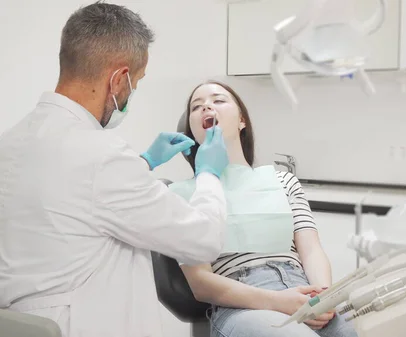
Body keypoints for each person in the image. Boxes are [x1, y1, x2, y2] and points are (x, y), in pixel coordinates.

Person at [0, 3, 229, 337]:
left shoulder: (13, 141)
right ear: (119, 79)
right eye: (136, 80)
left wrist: (143, 163)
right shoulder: (102, 156)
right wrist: (208, 173)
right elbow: (205, 240)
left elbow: (68, 199)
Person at [167, 80, 358, 337]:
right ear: (192, 129)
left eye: (218, 100)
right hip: (241, 306)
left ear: (242, 120)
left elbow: (311, 250)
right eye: (196, 106)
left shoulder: (283, 181)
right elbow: (200, 283)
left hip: (301, 290)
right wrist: (277, 301)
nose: (206, 107)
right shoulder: (180, 194)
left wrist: (322, 297)